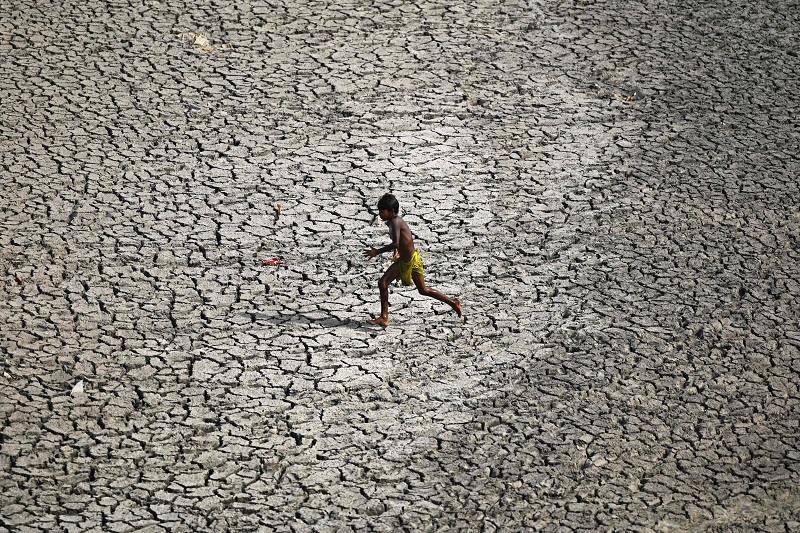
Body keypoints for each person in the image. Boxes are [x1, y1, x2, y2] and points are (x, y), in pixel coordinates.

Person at [363, 193, 462, 326]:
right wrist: (397, 252)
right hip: (409, 259)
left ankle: (384, 317)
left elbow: (396, 243)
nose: (380, 214)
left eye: (382, 211)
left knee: (383, 283)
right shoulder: (392, 222)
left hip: (408, 261)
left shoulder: (395, 222)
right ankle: (453, 303)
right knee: (423, 290)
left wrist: (377, 252)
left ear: (391, 211)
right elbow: (402, 241)